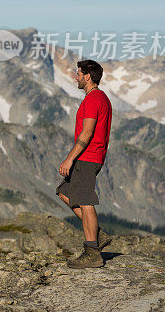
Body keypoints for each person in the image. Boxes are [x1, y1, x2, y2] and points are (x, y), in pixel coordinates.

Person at [56, 59, 113, 268]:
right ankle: (97, 234)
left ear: (88, 76)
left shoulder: (92, 100)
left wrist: (70, 157)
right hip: (91, 157)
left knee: (85, 201)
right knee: (64, 191)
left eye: (78, 73)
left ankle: (92, 252)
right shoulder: (101, 98)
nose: (76, 77)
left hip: (87, 157)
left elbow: (87, 133)